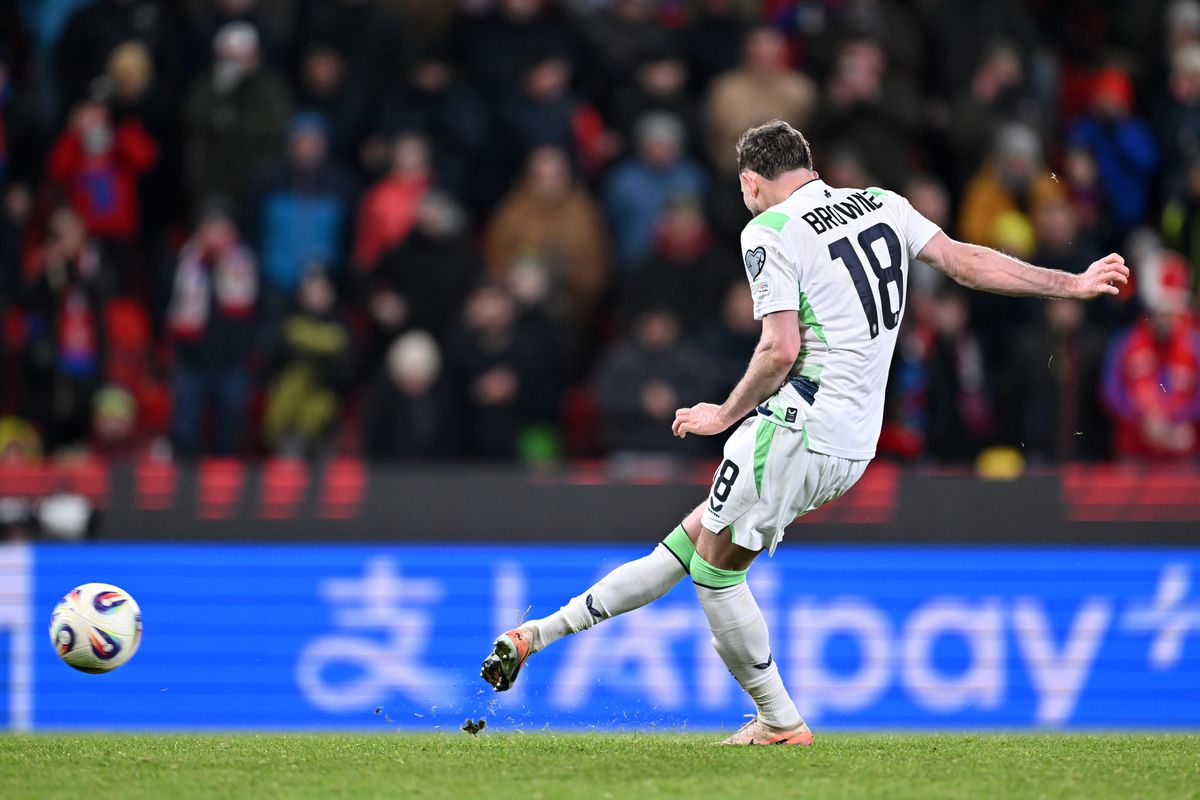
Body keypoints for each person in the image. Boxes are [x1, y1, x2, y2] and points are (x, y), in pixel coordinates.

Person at [480, 120, 1129, 744]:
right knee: (686, 547)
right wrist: (1066, 282)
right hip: (854, 442)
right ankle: (536, 635)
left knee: (714, 575)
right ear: (813, 169)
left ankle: (780, 721)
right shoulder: (881, 203)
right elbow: (962, 261)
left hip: (799, 425)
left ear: (750, 183)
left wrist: (722, 414)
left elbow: (778, 349)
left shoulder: (770, 229)